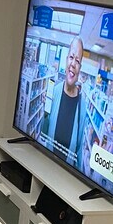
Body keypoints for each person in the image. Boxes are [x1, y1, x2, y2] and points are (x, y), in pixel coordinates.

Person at [40, 36, 87, 169]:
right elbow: (43, 132)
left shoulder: (82, 106)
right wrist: (45, 114)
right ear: (66, 60)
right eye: (71, 57)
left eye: (77, 61)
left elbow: (79, 151)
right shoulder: (54, 92)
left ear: (80, 67)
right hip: (46, 164)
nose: (73, 64)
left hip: (67, 173)